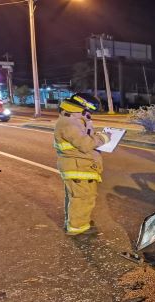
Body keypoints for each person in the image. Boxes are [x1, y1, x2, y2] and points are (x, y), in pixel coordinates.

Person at [54, 93, 111, 236]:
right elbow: (86, 144)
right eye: (89, 111)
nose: (90, 114)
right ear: (82, 107)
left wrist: (89, 124)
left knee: (80, 197)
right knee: (82, 198)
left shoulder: (75, 121)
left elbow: (85, 137)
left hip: (80, 166)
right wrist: (104, 137)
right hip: (78, 167)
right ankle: (78, 228)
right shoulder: (69, 123)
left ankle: (78, 222)